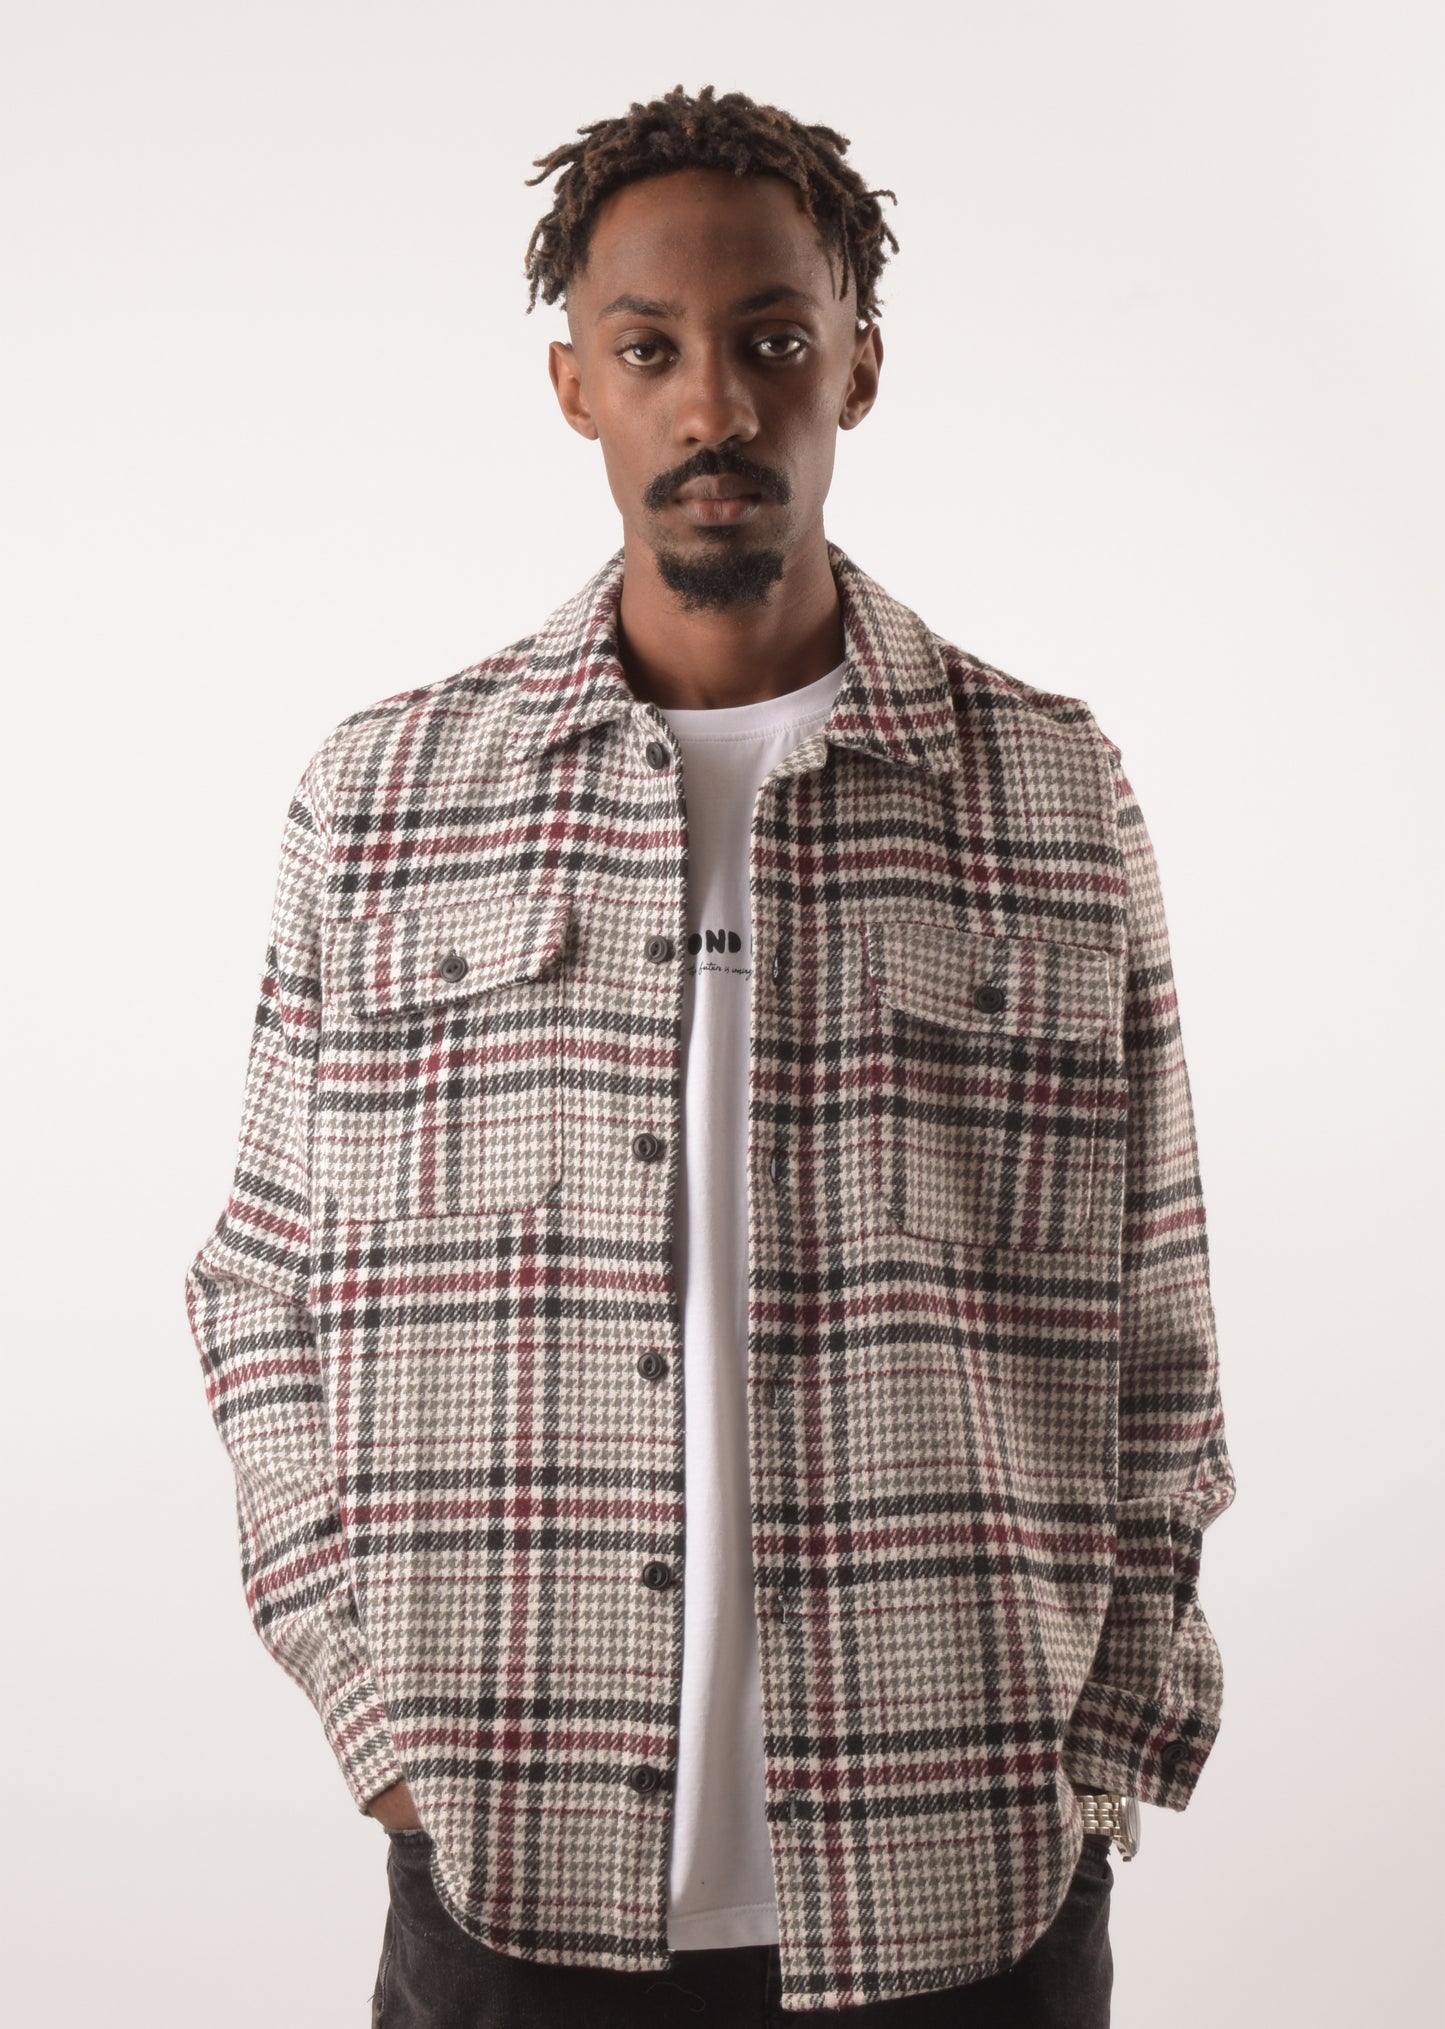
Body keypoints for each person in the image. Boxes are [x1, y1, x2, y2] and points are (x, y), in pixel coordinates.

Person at [185, 83, 1235, 2027]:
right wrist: (370, 1713)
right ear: (575, 385)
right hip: (509, 1870)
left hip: (960, 1874)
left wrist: (1104, 1746)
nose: (716, 407)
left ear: (858, 366)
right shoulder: (387, 797)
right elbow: (260, 1284)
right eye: (652, 349)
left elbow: (1155, 1313)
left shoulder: (1048, 792)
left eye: (770, 341)